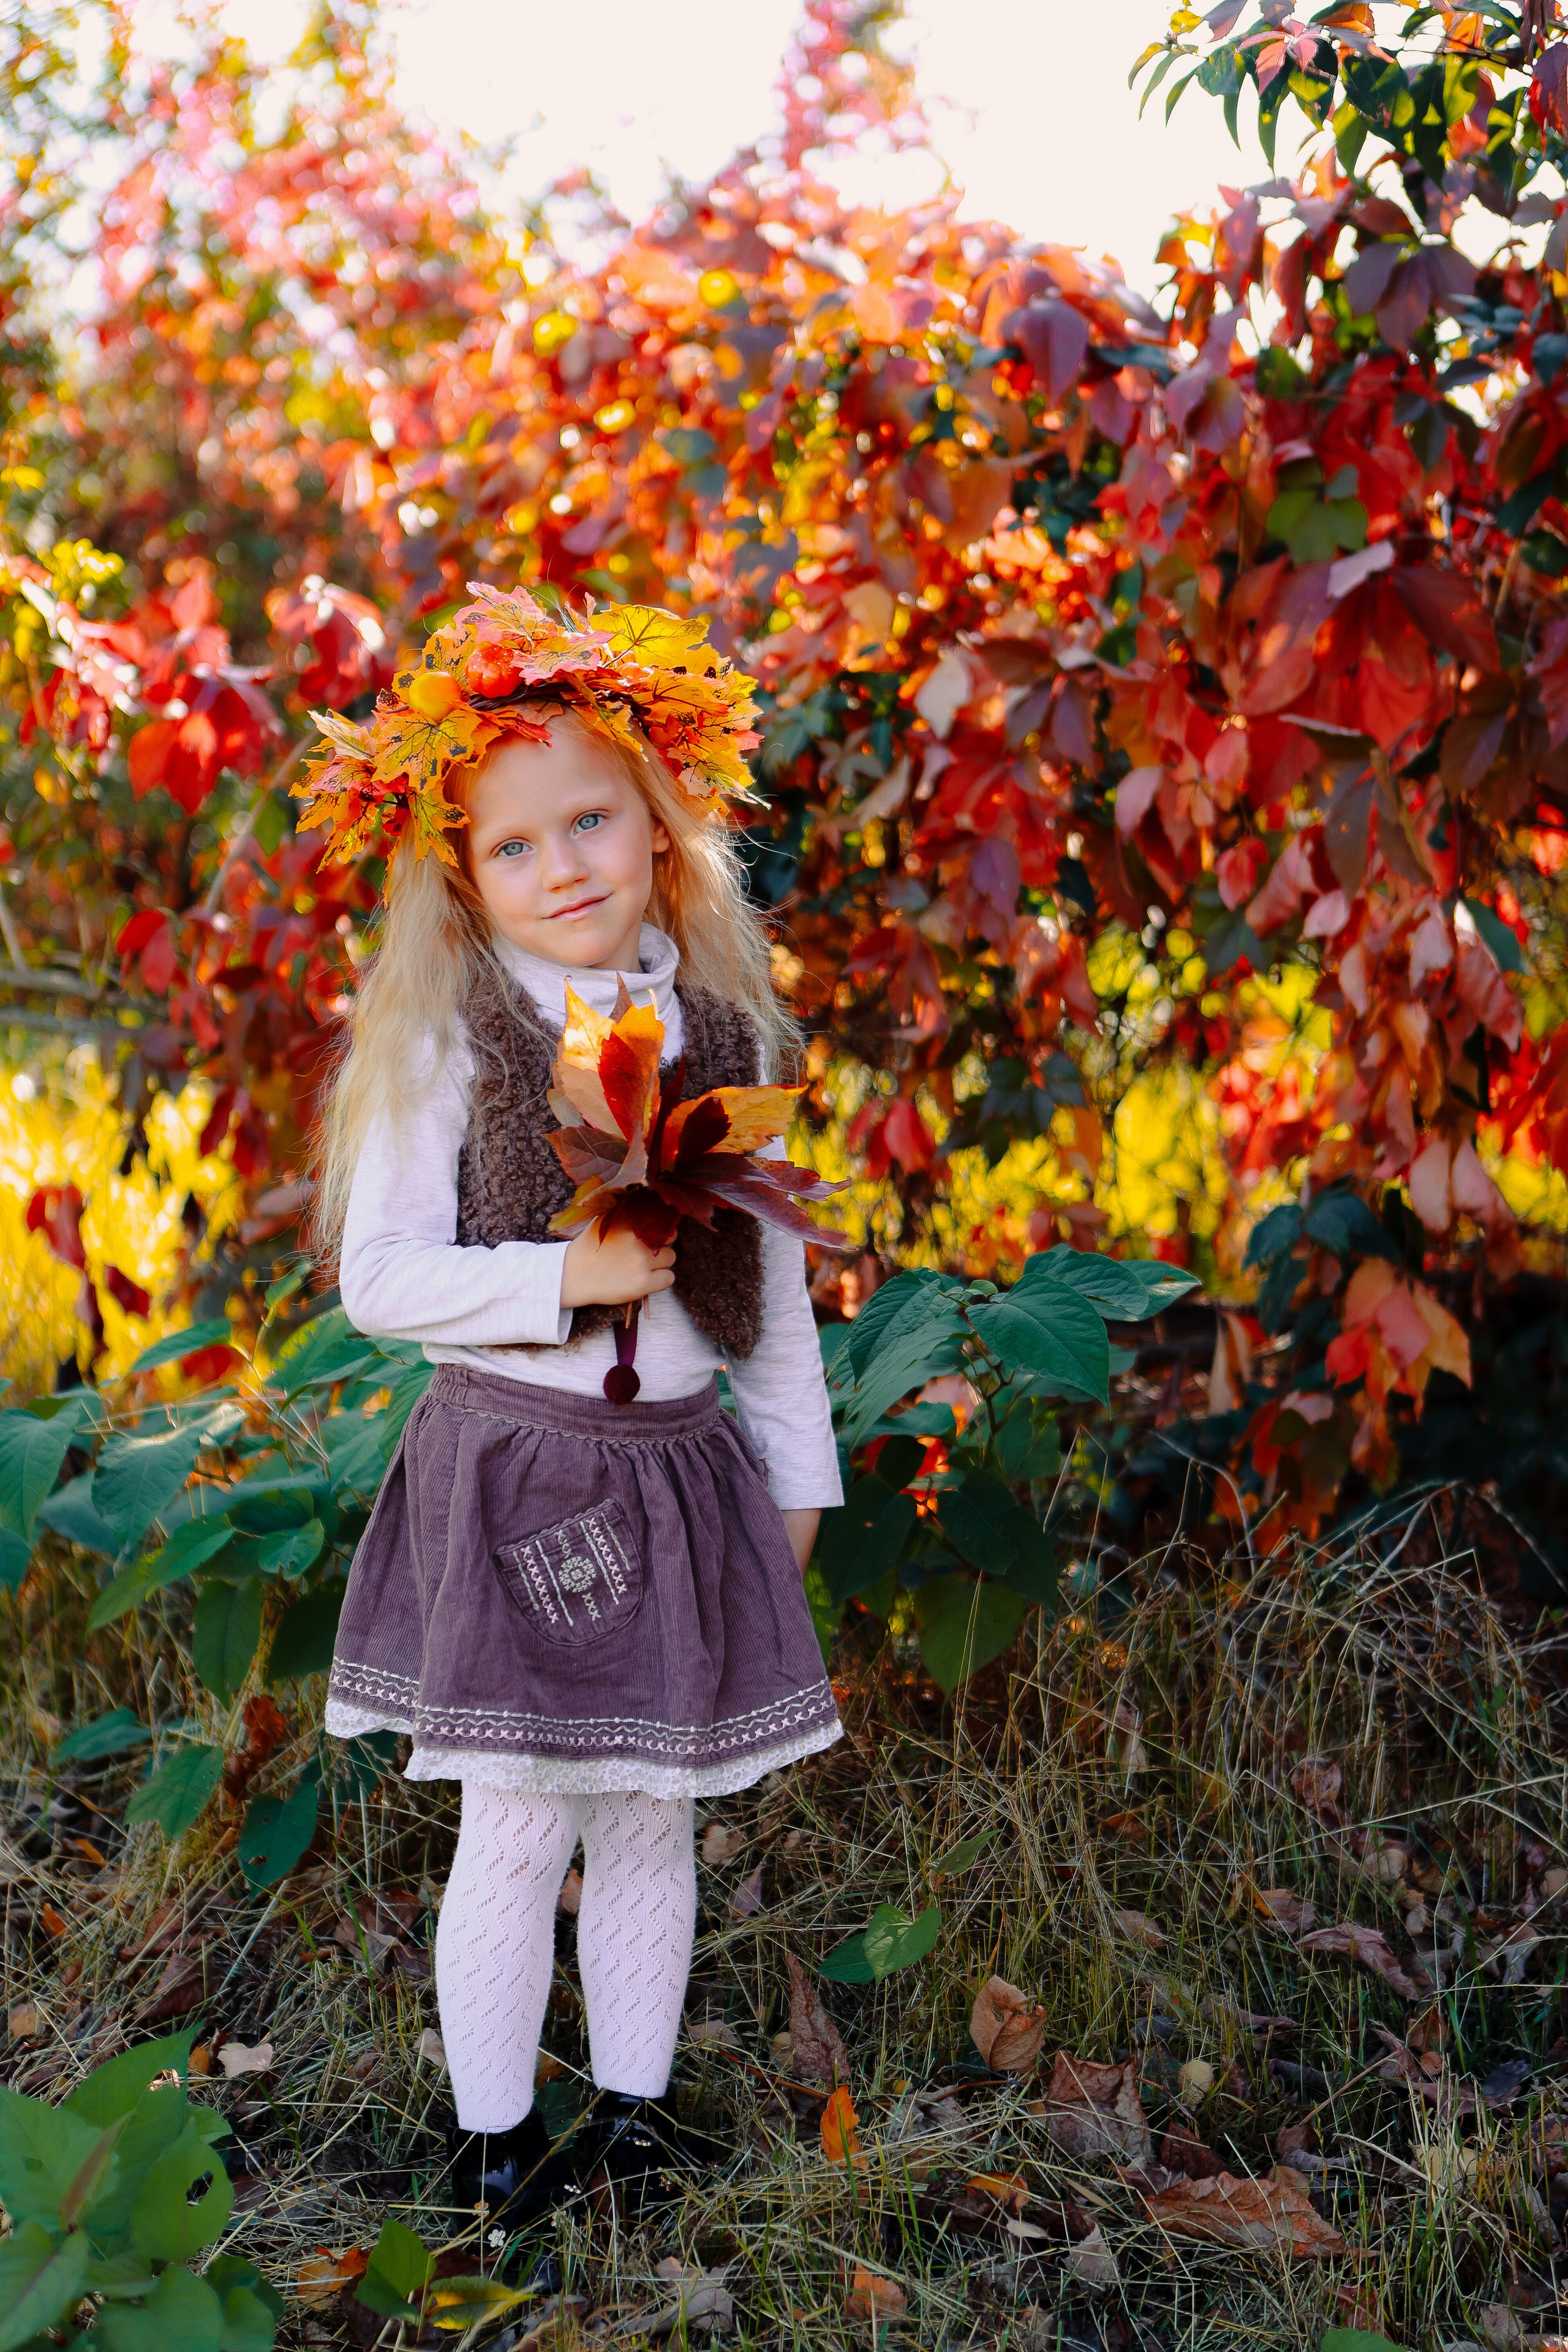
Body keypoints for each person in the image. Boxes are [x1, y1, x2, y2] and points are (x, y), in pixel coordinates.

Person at [304, 586, 843, 2232]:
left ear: (660, 825)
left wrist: (798, 1481)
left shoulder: (723, 1030)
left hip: (683, 1478)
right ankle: (493, 2143)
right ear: (466, 874)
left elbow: (776, 1301)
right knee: (523, 1822)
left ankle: (633, 2116)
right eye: (517, 846)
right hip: (522, 1472)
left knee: (651, 1817)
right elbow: (382, 1282)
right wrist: (561, 1287)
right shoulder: (448, 1047)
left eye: (592, 819)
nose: (566, 867)